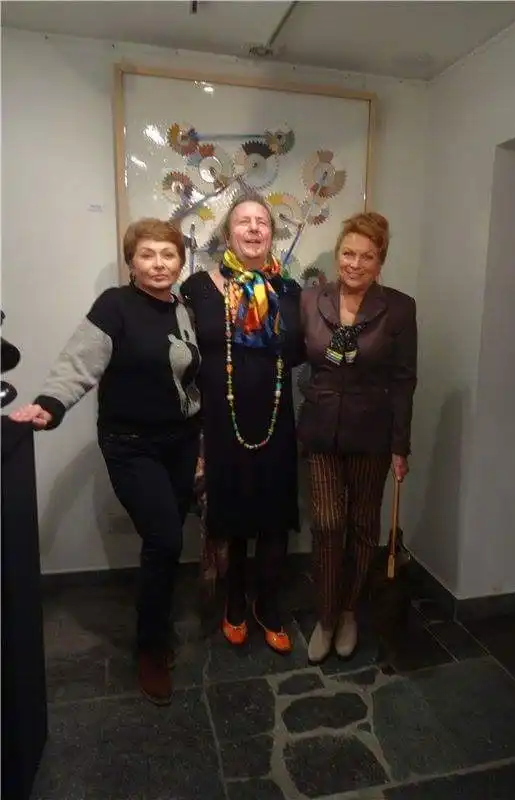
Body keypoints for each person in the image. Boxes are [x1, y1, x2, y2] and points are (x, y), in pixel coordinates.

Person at [9, 218, 202, 705]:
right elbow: (79, 363)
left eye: (168, 255)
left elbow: (190, 376)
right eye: (147, 254)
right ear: (131, 262)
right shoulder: (115, 306)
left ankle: (156, 623)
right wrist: (49, 404)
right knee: (165, 538)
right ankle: (150, 647)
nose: (158, 264)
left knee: (166, 542)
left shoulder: (183, 308)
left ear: (180, 262)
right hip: (131, 444)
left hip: (181, 442)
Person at [181, 193, 304, 654]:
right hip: (221, 421)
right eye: (243, 222)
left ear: (272, 233)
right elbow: (181, 352)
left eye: (262, 222)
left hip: (275, 419)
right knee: (231, 516)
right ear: (227, 234)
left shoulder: (289, 292)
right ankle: (234, 601)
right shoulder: (198, 287)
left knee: (273, 518)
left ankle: (267, 604)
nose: (253, 229)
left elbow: (301, 351)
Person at [298, 211, 417, 664]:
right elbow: (290, 356)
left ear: (380, 261)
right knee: (329, 526)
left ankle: (349, 611)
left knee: (364, 526)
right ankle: (326, 617)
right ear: (337, 255)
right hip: (321, 431)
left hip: (373, 433)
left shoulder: (399, 307)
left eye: (367, 256)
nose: (355, 263)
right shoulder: (311, 300)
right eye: (348, 253)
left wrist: (400, 445)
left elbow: (404, 379)